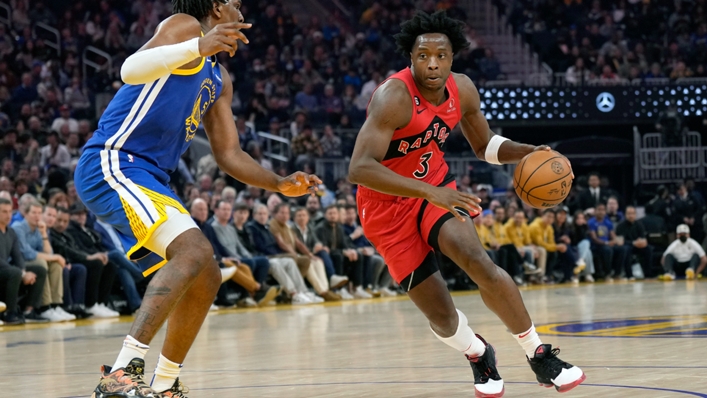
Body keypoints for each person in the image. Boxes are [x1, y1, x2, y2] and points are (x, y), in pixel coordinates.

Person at [73, 1, 321, 396]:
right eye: (236, 3)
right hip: (114, 161)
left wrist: (277, 182)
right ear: (217, 7)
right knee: (193, 250)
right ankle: (120, 372)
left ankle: (166, 384)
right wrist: (198, 47)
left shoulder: (220, 77)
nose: (242, 10)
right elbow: (128, 70)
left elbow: (229, 154)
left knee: (205, 273)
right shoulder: (184, 27)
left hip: (152, 177)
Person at [347, 11, 584, 396]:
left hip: (436, 190)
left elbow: (484, 145)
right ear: (410, 57)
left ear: (453, 56)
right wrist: (427, 191)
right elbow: (358, 168)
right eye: (423, 56)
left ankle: (538, 355)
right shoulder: (393, 97)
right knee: (440, 316)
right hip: (385, 207)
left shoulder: (463, 89)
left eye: (441, 55)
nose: (433, 63)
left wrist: (526, 152)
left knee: (479, 262)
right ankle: (478, 352)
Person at [11, 200, 72, 322]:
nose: (37, 216)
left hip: (33, 262)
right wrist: (55, 257)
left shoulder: (38, 229)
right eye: (34, 212)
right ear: (26, 214)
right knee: (42, 263)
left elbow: (48, 253)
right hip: (17, 264)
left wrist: (44, 234)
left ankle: (55, 305)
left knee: (55, 265)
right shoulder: (18, 227)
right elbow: (27, 253)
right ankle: (45, 307)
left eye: (39, 213)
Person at [270, 203, 339, 301]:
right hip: (283, 254)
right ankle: (319, 292)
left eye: (287, 213)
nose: (285, 215)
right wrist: (296, 254)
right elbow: (282, 244)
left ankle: (326, 290)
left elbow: (298, 243)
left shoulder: (287, 226)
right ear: (275, 214)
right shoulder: (274, 223)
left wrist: (310, 254)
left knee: (317, 261)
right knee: (306, 261)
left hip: (293, 254)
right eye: (282, 213)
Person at [0, 197, 47, 325]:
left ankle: (29, 310)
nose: (8, 215)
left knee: (40, 270)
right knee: (15, 272)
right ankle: (9, 312)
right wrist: (21, 274)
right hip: (3, 269)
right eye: (4, 211)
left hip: (7, 270)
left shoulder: (11, 232)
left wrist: (24, 271)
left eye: (10, 211)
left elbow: (18, 256)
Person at [315, 205, 368, 299]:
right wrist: (344, 252)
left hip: (338, 253)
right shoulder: (320, 228)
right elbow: (325, 248)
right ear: (325, 215)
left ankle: (357, 288)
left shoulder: (339, 227)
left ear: (338, 215)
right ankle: (340, 288)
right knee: (339, 256)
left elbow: (344, 244)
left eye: (334, 213)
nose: (332, 216)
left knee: (357, 255)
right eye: (330, 213)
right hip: (328, 255)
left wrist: (350, 251)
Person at [588, 203, 629, 280]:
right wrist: (607, 243)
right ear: (595, 211)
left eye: (603, 210)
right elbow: (594, 238)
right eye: (599, 209)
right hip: (596, 245)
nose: (601, 212)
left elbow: (613, 235)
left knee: (623, 248)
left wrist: (617, 241)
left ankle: (617, 273)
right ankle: (607, 274)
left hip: (607, 244)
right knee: (607, 250)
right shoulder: (591, 222)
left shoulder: (608, 222)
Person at [615, 206, 655, 279]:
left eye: (633, 213)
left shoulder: (639, 224)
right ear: (625, 214)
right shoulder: (620, 226)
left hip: (638, 246)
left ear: (635, 214)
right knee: (626, 249)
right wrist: (633, 243)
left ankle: (648, 274)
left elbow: (643, 237)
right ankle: (629, 275)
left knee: (648, 249)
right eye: (629, 213)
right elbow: (620, 241)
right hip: (626, 245)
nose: (631, 215)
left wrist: (642, 242)